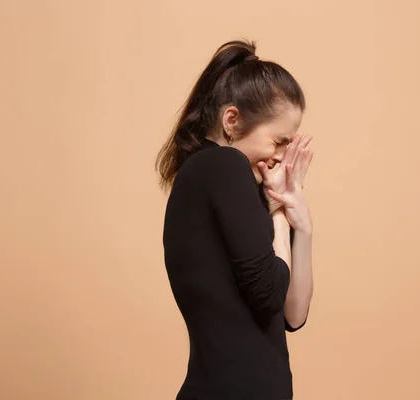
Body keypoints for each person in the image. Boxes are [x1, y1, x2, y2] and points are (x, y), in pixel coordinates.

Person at [156, 39, 314, 400]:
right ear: (231, 120)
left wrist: (300, 222)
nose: (282, 157)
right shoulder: (221, 166)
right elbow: (271, 294)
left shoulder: (225, 182)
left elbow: (294, 313)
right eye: (278, 141)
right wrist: (277, 211)